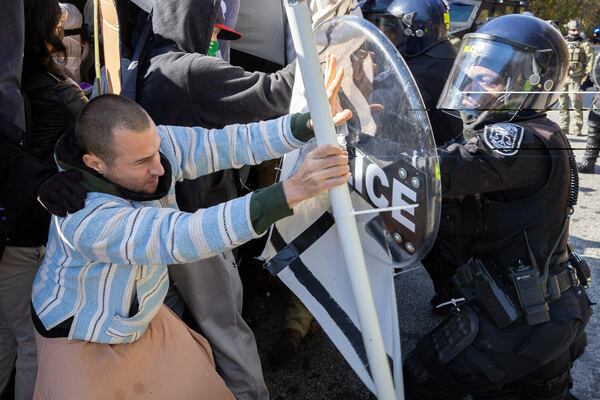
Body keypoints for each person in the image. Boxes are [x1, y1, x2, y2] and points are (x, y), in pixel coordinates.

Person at [30, 93, 352, 399]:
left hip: (139, 320)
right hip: (80, 337)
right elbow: (182, 236)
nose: (159, 166)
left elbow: (227, 143)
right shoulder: (83, 219)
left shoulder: (152, 147)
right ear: (95, 163)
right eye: (142, 161)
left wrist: (305, 124)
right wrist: (292, 191)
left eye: (156, 149)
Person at [403, 14, 592, 399]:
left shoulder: (519, 139)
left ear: (524, 83)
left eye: (486, 78)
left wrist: (358, 156)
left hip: (524, 319)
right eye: (469, 70)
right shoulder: (536, 130)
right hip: (543, 309)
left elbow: (434, 173)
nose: (471, 82)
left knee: (416, 380)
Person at [134, 0, 296, 396]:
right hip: (196, 226)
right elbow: (278, 95)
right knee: (227, 329)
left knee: (169, 331)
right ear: (194, 23)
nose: (215, 44)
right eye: (213, 32)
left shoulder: (147, 65)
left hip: (154, 226)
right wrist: (327, 46)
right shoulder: (189, 70)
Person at [0, 0, 88, 398]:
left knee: (6, 332)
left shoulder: (16, 83)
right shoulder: (49, 88)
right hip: (31, 232)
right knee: (31, 342)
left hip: (14, 227)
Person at [361, 0, 466, 312]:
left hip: (433, 166)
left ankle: (455, 294)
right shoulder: (433, 56)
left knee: (434, 234)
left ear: (413, 29)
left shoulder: (427, 69)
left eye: (390, 30)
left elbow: (382, 103)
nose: (383, 36)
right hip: (429, 156)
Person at [558, 20, 595, 136]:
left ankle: (577, 128)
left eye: (578, 30)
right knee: (562, 104)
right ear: (568, 30)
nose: (575, 32)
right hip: (563, 78)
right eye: (573, 30)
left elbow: (591, 60)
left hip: (577, 79)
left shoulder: (584, 44)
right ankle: (564, 127)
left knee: (576, 104)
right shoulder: (561, 42)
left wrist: (587, 76)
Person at [577, 91, 600, 173]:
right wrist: (583, 88)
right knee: (592, 136)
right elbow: (592, 78)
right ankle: (588, 164)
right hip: (597, 105)